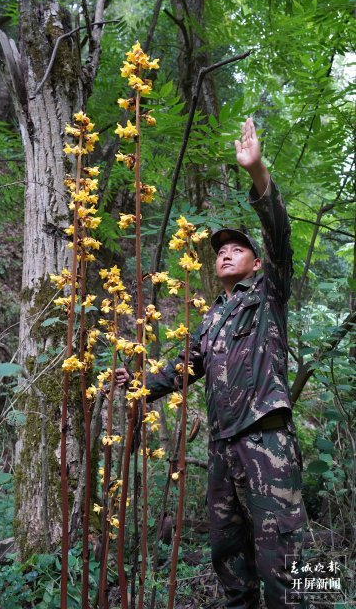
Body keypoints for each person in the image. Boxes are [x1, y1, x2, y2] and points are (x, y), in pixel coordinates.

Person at [116, 118, 307, 608]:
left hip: (266, 437)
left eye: (236, 249)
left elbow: (279, 233)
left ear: (256, 262)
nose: (225, 255)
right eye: (219, 252)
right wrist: (140, 384)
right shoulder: (211, 318)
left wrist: (258, 170)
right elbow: (183, 367)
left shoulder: (269, 293)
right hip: (223, 445)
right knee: (227, 553)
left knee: (287, 557)